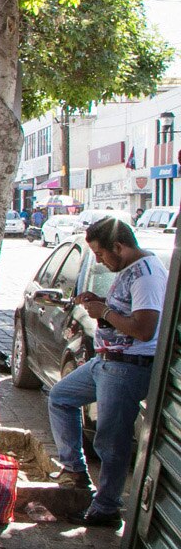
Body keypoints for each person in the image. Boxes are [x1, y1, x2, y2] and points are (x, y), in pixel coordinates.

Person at [47, 218, 167, 527]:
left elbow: (144, 329)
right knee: (60, 397)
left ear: (119, 246)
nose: (99, 261)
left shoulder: (146, 275)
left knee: (111, 440)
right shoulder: (129, 269)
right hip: (106, 361)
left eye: (101, 254)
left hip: (127, 366)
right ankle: (75, 471)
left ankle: (106, 507)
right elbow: (127, 312)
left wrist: (106, 312)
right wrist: (101, 303)